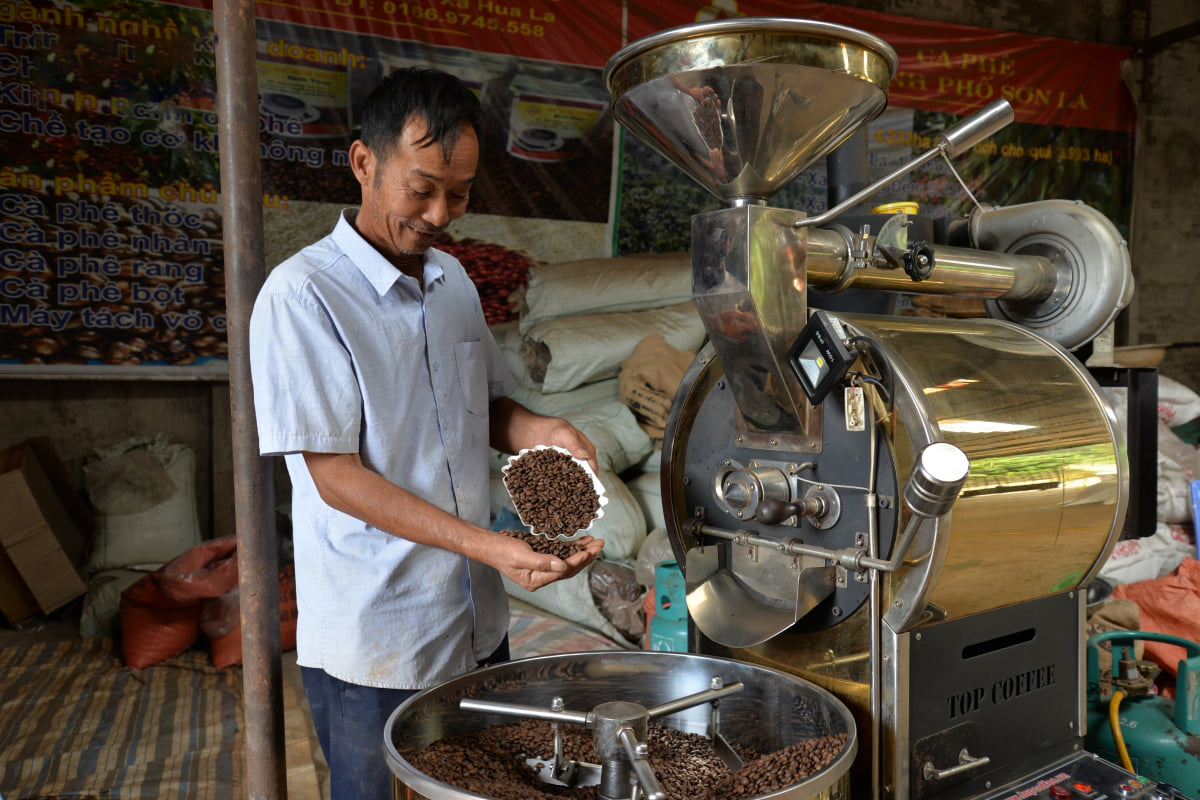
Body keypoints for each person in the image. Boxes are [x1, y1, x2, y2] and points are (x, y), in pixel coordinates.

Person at [248, 66, 605, 799]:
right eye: (423, 188)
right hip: (378, 636)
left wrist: (544, 428)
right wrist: (494, 547)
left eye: (461, 193)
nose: (442, 213)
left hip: (475, 621)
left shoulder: (452, 283)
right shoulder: (304, 296)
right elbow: (334, 475)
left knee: (484, 786)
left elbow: (490, 406)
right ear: (363, 163)